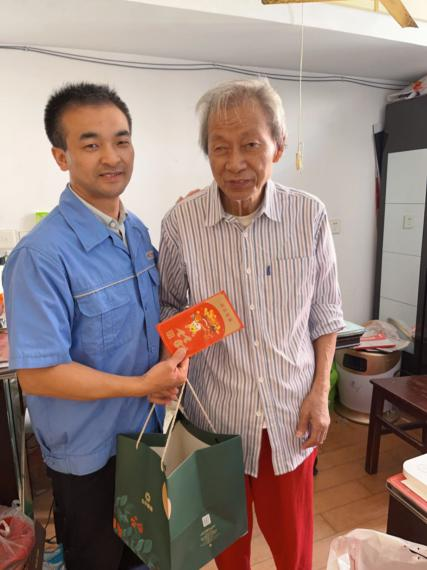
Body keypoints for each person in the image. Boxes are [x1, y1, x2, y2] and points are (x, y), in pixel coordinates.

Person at [158, 78, 345, 570]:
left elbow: (326, 313)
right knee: (227, 552)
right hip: (214, 421)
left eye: (250, 145)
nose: (235, 163)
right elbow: (168, 305)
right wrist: (177, 352)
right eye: (220, 147)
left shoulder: (309, 216)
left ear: (278, 147)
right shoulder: (181, 223)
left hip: (289, 419)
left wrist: (320, 393)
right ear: (207, 153)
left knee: (295, 552)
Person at [2, 82, 188, 570]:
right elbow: (39, 375)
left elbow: (149, 320)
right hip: (89, 459)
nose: (112, 157)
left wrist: (170, 360)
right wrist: (142, 384)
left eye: (121, 140)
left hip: (145, 437)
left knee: (147, 556)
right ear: (61, 157)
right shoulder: (40, 256)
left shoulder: (137, 231)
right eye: (91, 144)